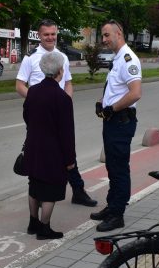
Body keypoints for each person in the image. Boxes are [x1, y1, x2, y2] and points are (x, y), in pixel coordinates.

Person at [16, 18, 97, 207]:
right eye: (46, 34)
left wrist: (65, 102)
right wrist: (38, 101)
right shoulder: (31, 57)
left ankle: (78, 191)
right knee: (36, 154)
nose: (50, 38)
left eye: (53, 34)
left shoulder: (62, 57)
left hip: (58, 114)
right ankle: (36, 193)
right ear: (39, 35)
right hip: (39, 116)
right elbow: (19, 85)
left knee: (67, 151)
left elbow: (68, 83)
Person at [90, 20, 142, 232]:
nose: (103, 39)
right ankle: (112, 206)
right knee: (112, 166)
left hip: (121, 121)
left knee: (119, 168)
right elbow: (115, 88)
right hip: (112, 120)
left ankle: (117, 214)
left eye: (106, 35)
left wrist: (112, 108)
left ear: (118, 34)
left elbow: (135, 93)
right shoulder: (118, 58)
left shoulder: (129, 59)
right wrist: (102, 103)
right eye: (102, 35)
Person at [22, 51, 76, 239]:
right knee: (50, 190)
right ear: (60, 71)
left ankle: (33, 223)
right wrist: (70, 160)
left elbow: (26, 116)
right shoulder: (63, 98)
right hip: (53, 152)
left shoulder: (33, 91)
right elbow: (67, 133)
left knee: (34, 185)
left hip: (33, 146)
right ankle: (44, 228)